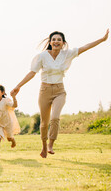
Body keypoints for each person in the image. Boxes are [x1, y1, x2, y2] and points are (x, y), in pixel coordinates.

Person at [11, 29, 109, 158]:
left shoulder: (67, 54)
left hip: (59, 91)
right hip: (44, 91)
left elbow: (85, 47)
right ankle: (44, 146)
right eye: (54, 39)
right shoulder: (42, 56)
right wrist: (18, 86)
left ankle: (51, 144)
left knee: (55, 117)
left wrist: (102, 39)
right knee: (44, 123)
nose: (56, 41)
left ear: (63, 43)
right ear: (50, 42)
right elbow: (32, 73)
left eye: (59, 40)